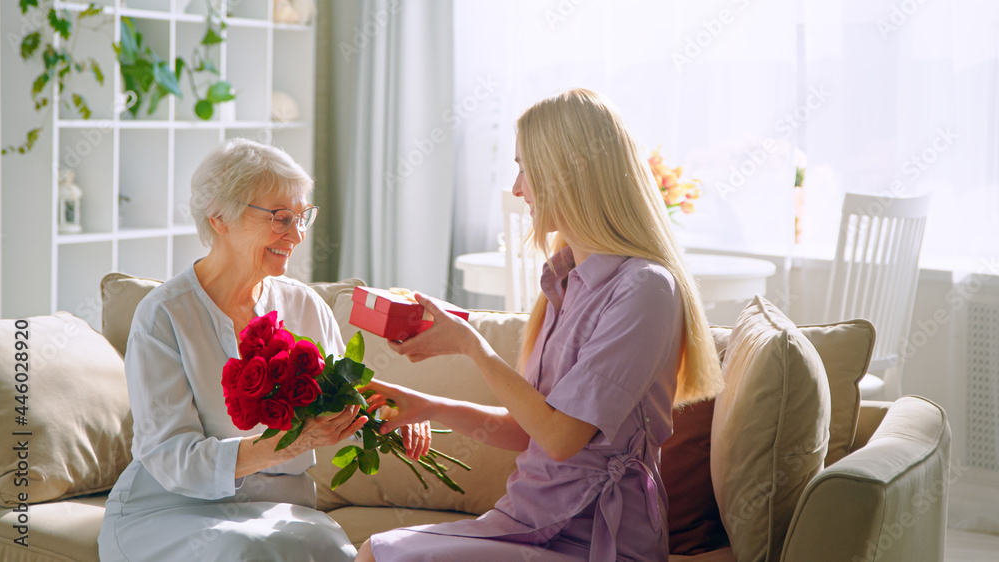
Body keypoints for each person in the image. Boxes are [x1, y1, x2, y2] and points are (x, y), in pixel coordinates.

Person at [355, 89, 724, 561]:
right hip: (528, 522)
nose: (516, 188)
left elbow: (561, 439)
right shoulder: (564, 278)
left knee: (381, 556)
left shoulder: (644, 288)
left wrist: (473, 346)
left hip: (595, 540)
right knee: (375, 551)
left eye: (525, 168)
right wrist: (427, 406)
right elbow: (535, 429)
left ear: (570, 172)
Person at [98, 139, 431, 561]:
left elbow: (343, 394)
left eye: (301, 216)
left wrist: (391, 410)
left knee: (336, 551)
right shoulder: (163, 316)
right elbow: (171, 457)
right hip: (170, 512)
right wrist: (289, 445)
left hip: (279, 508)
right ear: (219, 217)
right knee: (244, 551)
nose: (297, 234)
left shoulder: (303, 306)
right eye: (280, 218)